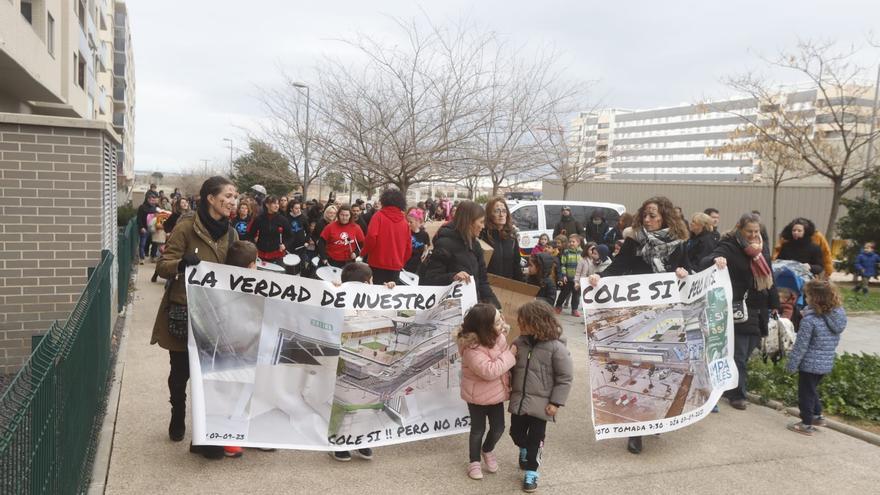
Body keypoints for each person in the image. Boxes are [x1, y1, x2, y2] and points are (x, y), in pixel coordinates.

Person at [588, 196, 691, 455]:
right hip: (639, 314)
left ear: (665, 216)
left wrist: (684, 272)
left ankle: (655, 418)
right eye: (644, 215)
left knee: (662, 369)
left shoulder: (679, 243)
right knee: (639, 367)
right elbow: (619, 266)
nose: (647, 219)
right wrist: (599, 276)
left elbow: (689, 268)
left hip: (667, 315)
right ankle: (636, 430)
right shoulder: (634, 240)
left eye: (653, 215)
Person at [151, 176, 238, 460]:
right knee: (180, 374)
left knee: (209, 377)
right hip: (184, 311)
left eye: (234, 196)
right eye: (227, 196)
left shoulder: (231, 234)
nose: (232, 201)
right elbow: (163, 266)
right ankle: (177, 412)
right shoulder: (186, 227)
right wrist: (181, 264)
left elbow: (237, 272)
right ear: (211, 198)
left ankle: (204, 435)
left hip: (217, 316)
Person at [701, 213, 779, 413]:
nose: (753, 235)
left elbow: (769, 275)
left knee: (749, 349)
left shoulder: (761, 248)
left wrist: (775, 303)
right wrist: (716, 260)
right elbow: (705, 261)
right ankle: (738, 395)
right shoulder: (729, 246)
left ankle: (730, 386)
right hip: (738, 308)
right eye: (749, 231)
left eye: (756, 231)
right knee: (740, 354)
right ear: (739, 229)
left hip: (759, 308)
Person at [329, 261, 395, 461]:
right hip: (343, 357)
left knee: (368, 402)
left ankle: (362, 440)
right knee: (342, 401)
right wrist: (333, 289)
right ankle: (336, 441)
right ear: (367, 282)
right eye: (372, 280)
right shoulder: (337, 296)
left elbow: (392, 308)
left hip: (367, 358)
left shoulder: (375, 297)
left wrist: (389, 290)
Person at [508, 301, 573, 493]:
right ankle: (525, 449)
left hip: (543, 405)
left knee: (536, 440)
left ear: (536, 322)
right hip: (520, 401)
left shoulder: (556, 348)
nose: (519, 324)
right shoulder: (518, 343)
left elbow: (565, 377)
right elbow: (510, 368)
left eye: (523, 321)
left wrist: (555, 402)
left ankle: (532, 472)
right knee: (515, 433)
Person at [457, 304, 517, 480]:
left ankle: (487, 449)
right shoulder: (471, 348)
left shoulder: (499, 338)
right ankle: (474, 461)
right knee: (478, 430)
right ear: (484, 327)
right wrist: (511, 354)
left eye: (501, 319)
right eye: (497, 322)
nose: (502, 324)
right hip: (476, 397)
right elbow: (490, 371)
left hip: (496, 395)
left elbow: (501, 362)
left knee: (499, 428)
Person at [215, 239, 260, 458]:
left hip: (247, 347)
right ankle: (228, 436)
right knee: (233, 393)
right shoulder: (229, 286)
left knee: (246, 392)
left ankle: (244, 432)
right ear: (251, 265)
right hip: (233, 348)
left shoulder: (255, 284)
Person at [784, 279, 846, 436]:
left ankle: (806, 424)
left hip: (809, 364)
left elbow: (801, 346)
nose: (806, 298)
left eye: (808, 295)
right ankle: (817, 416)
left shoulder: (810, 320)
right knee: (811, 390)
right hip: (825, 362)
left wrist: (791, 365)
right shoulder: (837, 316)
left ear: (815, 298)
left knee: (805, 393)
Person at [420, 201, 500, 307]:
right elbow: (431, 279)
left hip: (472, 307)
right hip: (450, 309)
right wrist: (453, 277)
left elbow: (482, 282)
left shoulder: (475, 245)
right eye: (481, 222)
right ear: (469, 222)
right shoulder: (444, 244)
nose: (483, 226)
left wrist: (496, 307)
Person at [361, 189, 412, 285]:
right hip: (396, 265)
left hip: (377, 263)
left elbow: (371, 237)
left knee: (376, 292)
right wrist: (401, 261)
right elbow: (408, 246)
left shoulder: (378, 216)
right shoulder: (404, 222)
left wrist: (364, 252)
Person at [480, 197, 524, 282]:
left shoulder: (511, 237)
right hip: (488, 284)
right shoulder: (482, 235)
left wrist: (521, 285)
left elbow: (516, 265)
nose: (501, 214)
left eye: (504, 211)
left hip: (507, 285)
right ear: (489, 214)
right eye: (497, 211)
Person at [247, 195, 292, 265]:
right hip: (260, 255)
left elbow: (290, 236)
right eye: (274, 203)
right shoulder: (259, 219)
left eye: (277, 203)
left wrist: (285, 245)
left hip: (277, 255)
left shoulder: (283, 220)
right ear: (267, 205)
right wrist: (254, 246)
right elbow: (250, 235)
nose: (277, 206)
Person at [554, 234, 583, 318]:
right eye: (570, 242)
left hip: (577, 279)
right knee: (564, 293)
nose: (571, 243)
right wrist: (564, 275)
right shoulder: (566, 252)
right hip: (568, 278)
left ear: (578, 243)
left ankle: (574, 309)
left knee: (576, 295)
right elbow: (563, 265)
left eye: (573, 242)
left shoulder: (581, 253)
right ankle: (558, 306)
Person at [404, 207, 430, 274]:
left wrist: (425, 252)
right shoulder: (406, 232)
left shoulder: (424, 234)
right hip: (406, 264)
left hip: (417, 265)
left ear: (418, 222)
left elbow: (426, 247)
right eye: (407, 221)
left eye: (411, 222)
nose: (408, 224)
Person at [137, 192, 159, 264]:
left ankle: (153, 256)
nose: (153, 202)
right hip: (145, 228)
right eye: (151, 200)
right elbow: (139, 218)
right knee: (142, 244)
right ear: (148, 199)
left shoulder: (155, 208)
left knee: (155, 243)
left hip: (154, 228)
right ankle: (142, 258)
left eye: (154, 200)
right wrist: (141, 227)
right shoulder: (142, 207)